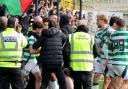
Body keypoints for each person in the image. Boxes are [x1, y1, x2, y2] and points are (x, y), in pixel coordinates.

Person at [30, 19, 67, 89]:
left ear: (48, 26)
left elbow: (35, 46)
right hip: (57, 62)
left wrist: (43, 47)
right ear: (57, 26)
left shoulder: (44, 34)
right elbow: (66, 41)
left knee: (44, 82)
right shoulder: (60, 34)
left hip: (47, 62)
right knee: (62, 82)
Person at [0, 16, 27, 89]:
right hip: (15, 66)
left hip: (2, 67)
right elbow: (25, 44)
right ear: (15, 24)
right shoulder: (18, 35)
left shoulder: (1, 35)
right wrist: (20, 32)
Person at [65, 25, 94, 89]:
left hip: (75, 67)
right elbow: (96, 52)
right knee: (87, 86)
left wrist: (67, 65)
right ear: (86, 31)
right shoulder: (91, 37)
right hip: (88, 67)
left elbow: (66, 52)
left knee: (77, 85)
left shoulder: (71, 37)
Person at [106, 18, 128, 89]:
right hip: (122, 63)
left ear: (117, 25)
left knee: (113, 84)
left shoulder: (112, 35)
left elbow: (108, 49)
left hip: (112, 63)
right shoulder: (127, 34)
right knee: (126, 83)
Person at [22, 22, 42, 89]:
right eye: (40, 29)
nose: (41, 31)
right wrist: (41, 50)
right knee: (21, 80)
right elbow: (31, 51)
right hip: (28, 61)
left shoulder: (32, 36)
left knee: (39, 78)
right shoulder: (31, 38)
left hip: (33, 60)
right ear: (37, 29)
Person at [92, 14, 111, 89]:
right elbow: (97, 47)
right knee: (96, 77)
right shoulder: (97, 32)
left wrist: (109, 57)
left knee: (107, 80)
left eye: (97, 20)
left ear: (103, 21)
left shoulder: (111, 31)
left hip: (108, 59)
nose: (96, 22)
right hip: (100, 59)